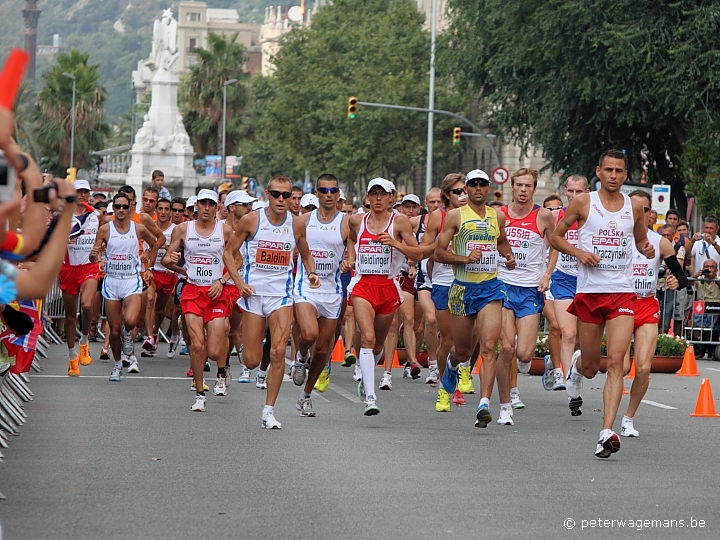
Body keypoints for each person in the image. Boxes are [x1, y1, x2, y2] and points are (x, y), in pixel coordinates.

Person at [549, 149, 654, 458]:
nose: (613, 175)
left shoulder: (634, 206)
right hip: (590, 292)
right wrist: (579, 253)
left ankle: (605, 431)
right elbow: (556, 238)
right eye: (608, 170)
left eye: (619, 171)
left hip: (622, 292)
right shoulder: (583, 202)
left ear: (625, 174)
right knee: (593, 367)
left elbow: (639, 240)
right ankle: (578, 368)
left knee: (618, 361)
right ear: (598, 171)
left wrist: (646, 249)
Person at [223, 176, 320, 428]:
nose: (281, 199)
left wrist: (311, 272)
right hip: (254, 294)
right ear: (267, 194)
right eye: (276, 194)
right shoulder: (251, 220)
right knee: (253, 361)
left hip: (282, 295)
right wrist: (239, 283)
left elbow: (306, 254)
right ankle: (244, 347)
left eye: (286, 195)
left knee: (278, 352)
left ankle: (268, 411)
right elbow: (228, 253)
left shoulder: (297, 224)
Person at [434, 169, 516, 427]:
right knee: (463, 351)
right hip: (462, 289)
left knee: (490, 345)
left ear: (488, 188)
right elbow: (438, 253)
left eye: (482, 184)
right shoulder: (455, 217)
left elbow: (501, 241)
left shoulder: (497, 216)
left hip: (490, 288)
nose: (478, 188)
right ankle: (451, 365)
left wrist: (509, 255)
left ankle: (483, 403)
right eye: (473, 184)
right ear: (466, 189)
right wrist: (464, 259)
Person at [343, 178, 422, 415]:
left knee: (377, 342)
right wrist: (350, 258)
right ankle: (370, 397)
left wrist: (396, 244)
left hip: (388, 286)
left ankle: (365, 368)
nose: (377, 199)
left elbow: (417, 253)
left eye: (382, 194)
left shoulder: (399, 222)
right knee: (366, 337)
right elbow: (352, 239)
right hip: (363, 285)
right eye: (373, 194)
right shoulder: (357, 220)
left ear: (391, 197)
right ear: (367, 197)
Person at [622, 190, 686, 437]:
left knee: (644, 368)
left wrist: (676, 282)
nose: (641, 212)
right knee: (615, 364)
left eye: (645, 209)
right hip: (620, 304)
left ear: (651, 214)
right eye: (635, 206)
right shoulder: (618, 237)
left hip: (647, 305)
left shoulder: (660, 242)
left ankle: (628, 418)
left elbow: (681, 277)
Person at [163, 190, 234, 411]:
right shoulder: (183, 229)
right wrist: (173, 262)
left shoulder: (226, 230)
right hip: (192, 291)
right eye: (202, 203)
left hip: (216, 293)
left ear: (216, 207)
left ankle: (221, 371)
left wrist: (222, 281)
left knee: (213, 351)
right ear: (196, 206)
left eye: (210, 204)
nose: (206, 207)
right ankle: (200, 394)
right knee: (197, 345)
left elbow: (237, 261)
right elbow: (166, 258)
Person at [496, 168, 555, 423]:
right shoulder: (499, 216)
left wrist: (547, 276)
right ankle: (506, 402)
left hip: (530, 288)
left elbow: (555, 248)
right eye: (519, 185)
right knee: (507, 347)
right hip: (502, 285)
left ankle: (517, 378)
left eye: (528, 186)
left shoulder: (543, 216)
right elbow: (491, 244)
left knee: (524, 355)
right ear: (512, 187)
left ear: (534, 188)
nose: (523, 190)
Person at [291, 174, 348, 416]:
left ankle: (305, 396)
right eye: (324, 190)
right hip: (307, 286)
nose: (328, 194)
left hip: (332, 290)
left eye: (333, 190)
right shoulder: (304, 220)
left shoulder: (347, 222)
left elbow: (355, 245)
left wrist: (351, 259)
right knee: (308, 333)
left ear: (337, 194)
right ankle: (301, 355)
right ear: (317, 193)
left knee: (323, 351)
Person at [90, 193, 163, 381]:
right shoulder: (105, 230)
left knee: (130, 321)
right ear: (113, 209)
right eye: (118, 207)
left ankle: (128, 335)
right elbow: (94, 256)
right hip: (112, 281)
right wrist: (95, 256)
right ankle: (117, 365)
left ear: (130, 208)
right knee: (114, 329)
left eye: (125, 206)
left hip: (131, 280)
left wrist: (150, 264)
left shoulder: (138, 228)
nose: (121, 210)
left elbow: (156, 242)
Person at [419, 173, 470, 410]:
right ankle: (446, 387)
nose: (463, 195)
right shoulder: (436, 217)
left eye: (465, 191)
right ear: (447, 195)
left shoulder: (477, 215)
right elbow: (423, 251)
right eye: (457, 192)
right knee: (448, 340)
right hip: (444, 281)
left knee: (470, 342)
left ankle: (459, 373)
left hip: (471, 282)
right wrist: (442, 246)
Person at [546, 174, 589, 413]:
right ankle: (569, 387)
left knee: (584, 341)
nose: (573, 196)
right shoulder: (556, 216)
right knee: (568, 333)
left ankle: (574, 373)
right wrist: (544, 274)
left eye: (578, 192)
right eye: (570, 191)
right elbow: (548, 245)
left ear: (587, 191)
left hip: (588, 281)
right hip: (563, 279)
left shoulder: (594, 215)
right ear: (564, 191)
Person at [59, 180, 100, 376]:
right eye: (79, 191)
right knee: (69, 317)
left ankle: (84, 340)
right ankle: (71, 355)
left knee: (86, 305)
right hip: (68, 269)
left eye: (85, 191)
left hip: (88, 268)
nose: (82, 195)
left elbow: (110, 233)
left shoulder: (95, 215)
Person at [221, 190, 256, 383]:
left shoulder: (252, 228)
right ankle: (222, 366)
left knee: (236, 330)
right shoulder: (219, 229)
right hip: (222, 285)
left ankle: (240, 367)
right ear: (232, 208)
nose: (249, 208)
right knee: (224, 328)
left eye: (250, 205)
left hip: (242, 286)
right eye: (244, 205)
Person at [142, 198, 177, 357]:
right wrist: (147, 254)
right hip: (152, 271)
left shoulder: (175, 229)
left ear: (170, 211)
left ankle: (155, 333)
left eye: (166, 209)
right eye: (160, 208)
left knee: (160, 310)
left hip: (167, 273)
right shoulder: (150, 228)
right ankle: (149, 337)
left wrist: (166, 249)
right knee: (150, 299)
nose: (163, 212)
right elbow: (146, 247)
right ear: (156, 211)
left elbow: (180, 250)